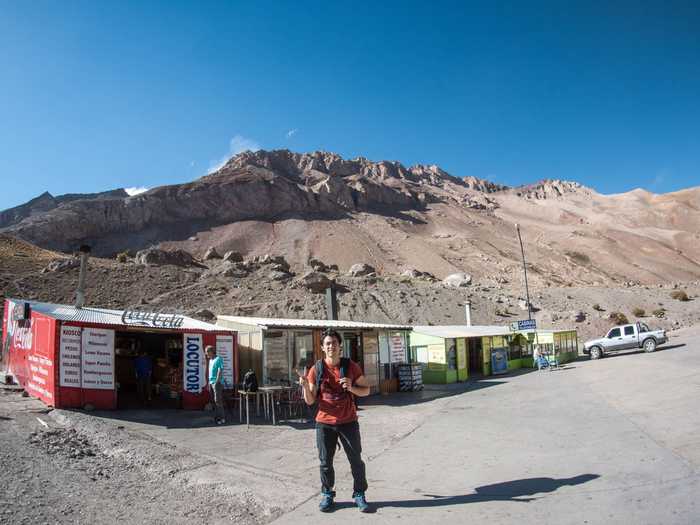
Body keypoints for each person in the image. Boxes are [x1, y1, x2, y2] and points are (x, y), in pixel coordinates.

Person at [298, 329, 371, 513]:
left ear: (340, 346)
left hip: (348, 421)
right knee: (325, 462)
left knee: (356, 460)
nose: (331, 346)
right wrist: (306, 386)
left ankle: (359, 494)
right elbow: (310, 400)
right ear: (323, 347)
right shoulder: (317, 369)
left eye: (334, 343)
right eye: (327, 343)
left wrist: (352, 387)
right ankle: (328, 494)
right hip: (324, 422)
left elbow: (367, 390)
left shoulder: (350, 366)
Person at [206, 345, 225, 425]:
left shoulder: (218, 359)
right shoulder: (210, 360)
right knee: (213, 401)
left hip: (217, 383)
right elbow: (210, 372)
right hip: (211, 383)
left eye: (207, 352)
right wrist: (208, 383)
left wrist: (217, 381)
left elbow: (220, 370)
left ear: (211, 351)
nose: (206, 354)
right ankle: (217, 417)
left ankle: (222, 418)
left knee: (218, 401)